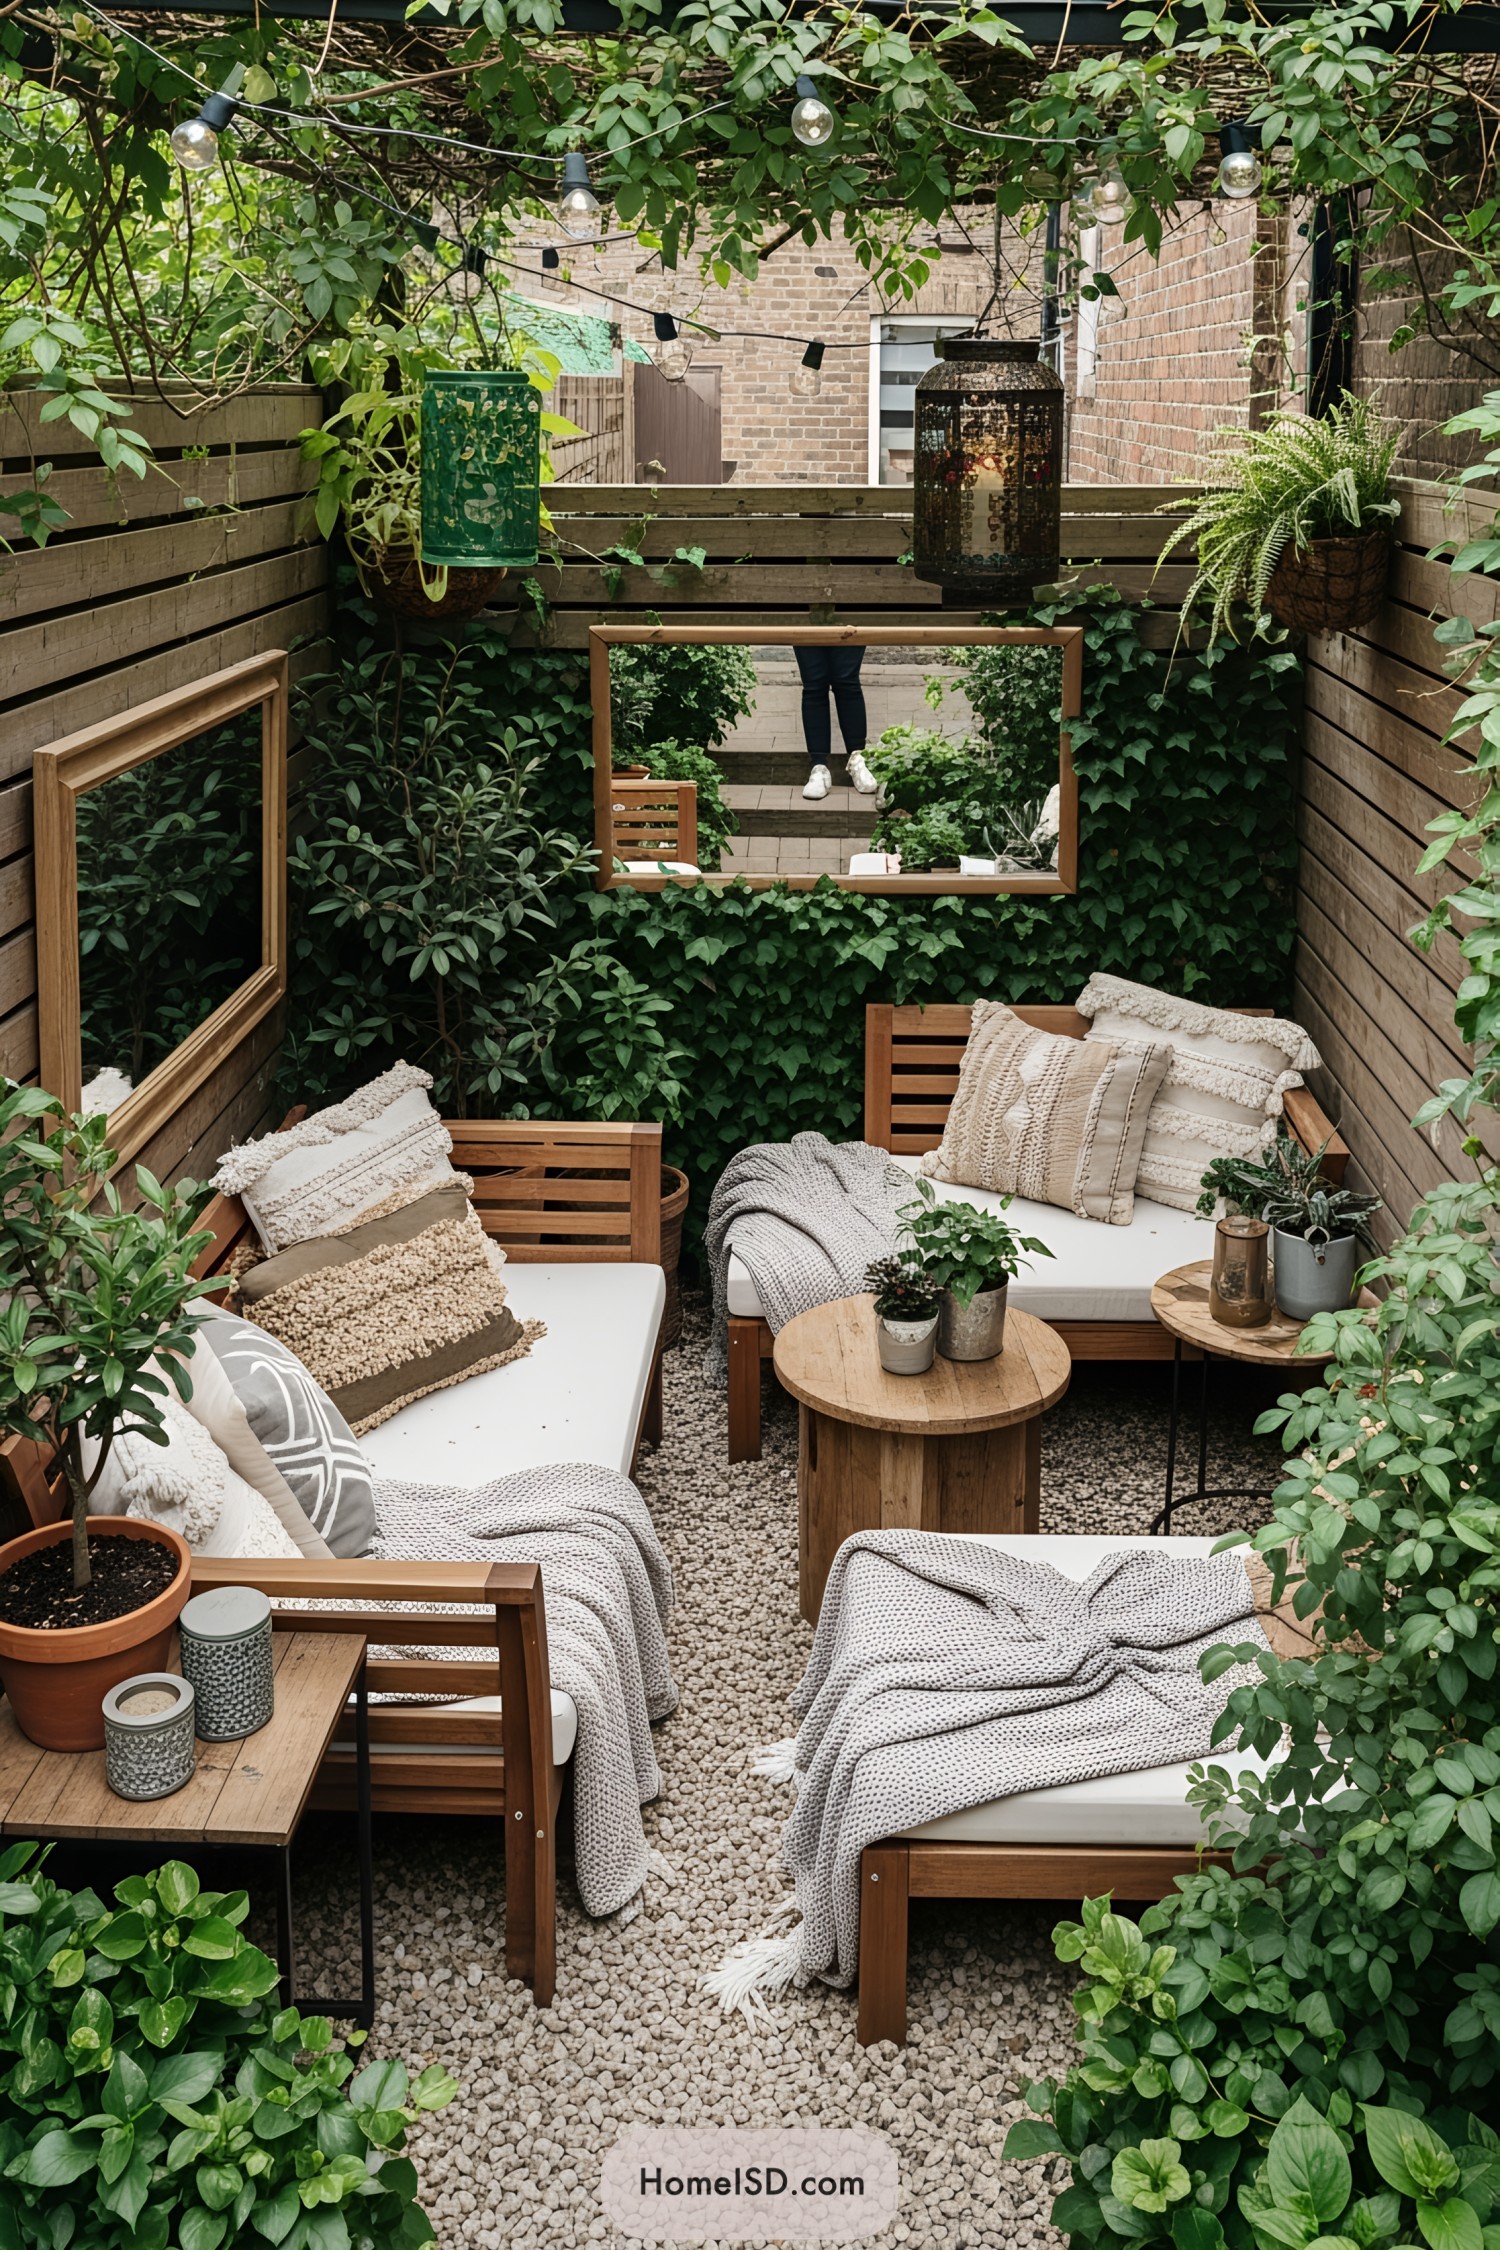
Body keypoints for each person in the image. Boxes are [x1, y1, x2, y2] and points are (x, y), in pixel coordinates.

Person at [794, 644, 877, 800]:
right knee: (813, 683)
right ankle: (818, 767)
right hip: (807, 622)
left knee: (847, 680)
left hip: (849, 621)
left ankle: (857, 758)